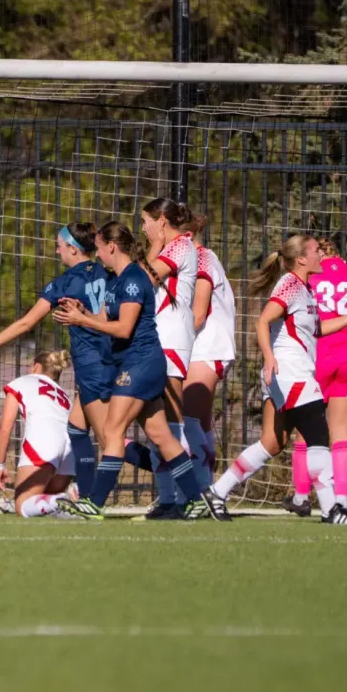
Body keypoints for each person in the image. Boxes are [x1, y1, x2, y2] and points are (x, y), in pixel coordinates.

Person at [206, 235, 347, 525]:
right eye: (316, 251)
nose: (321, 256)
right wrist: (269, 357)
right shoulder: (289, 285)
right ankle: (332, 510)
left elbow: (319, 329)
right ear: (301, 259)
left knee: (272, 443)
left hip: (290, 374)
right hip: (291, 372)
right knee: (318, 436)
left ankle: (216, 492)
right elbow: (263, 321)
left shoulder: (305, 289)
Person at [52, 222, 220, 521]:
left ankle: (95, 503)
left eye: (100, 248)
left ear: (111, 247)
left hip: (140, 364)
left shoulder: (132, 279)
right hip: (137, 364)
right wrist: (81, 312)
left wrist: (82, 321)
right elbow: (104, 317)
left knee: (113, 432)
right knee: (161, 435)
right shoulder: (116, 281)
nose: (98, 255)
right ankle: (196, 499)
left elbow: (123, 328)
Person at [0, 223, 112, 498]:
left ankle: (168, 475)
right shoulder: (110, 272)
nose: (56, 250)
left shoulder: (65, 283)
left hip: (93, 366)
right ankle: (82, 493)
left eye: (59, 246)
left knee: (112, 441)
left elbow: (26, 323)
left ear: (73, 250)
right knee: (77, 430)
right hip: (115, 360)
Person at [284, 241, 347, 517]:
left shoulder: (310, 276)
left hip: (318, 357)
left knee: (306, 431)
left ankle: (300, 496)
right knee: (343, 433)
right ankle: (341, 502)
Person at [138, 198, 203, 509]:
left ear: (161, 220)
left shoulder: (179, 246)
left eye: (146, 222)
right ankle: (168, 499)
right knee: (159, 423)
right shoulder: (170, 248)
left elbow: (141, 281)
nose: (143, 229)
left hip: (171, 339)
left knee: (171, 423)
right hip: (159, 338)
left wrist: (152, 246)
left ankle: (191, 496)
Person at [0, 350, 77, 518]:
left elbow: (5, 428)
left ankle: (65, 497)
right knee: (44, 501)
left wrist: (0, 465)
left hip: (44, 441)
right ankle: (70, 495)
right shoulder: (62, 394)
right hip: (71, 447)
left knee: (22, 505)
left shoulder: (22, 382)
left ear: (36, 366)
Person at [185, 234, 237, 491]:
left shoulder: (202, 259)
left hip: (205, 350)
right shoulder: (200, 259)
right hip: (204, 350)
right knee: (199, 423)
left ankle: (196, 493)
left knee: (187, 422)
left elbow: (198, 314)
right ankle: (205, 489)